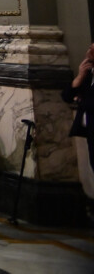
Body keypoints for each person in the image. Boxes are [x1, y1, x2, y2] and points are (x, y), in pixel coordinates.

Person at [64, 42, 94, 204]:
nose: (88, 51)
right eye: (89, 48)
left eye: (92, 50)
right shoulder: (88, 74)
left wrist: (83, 100)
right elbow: (67, 96)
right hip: (90, 131)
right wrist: (79, 77)